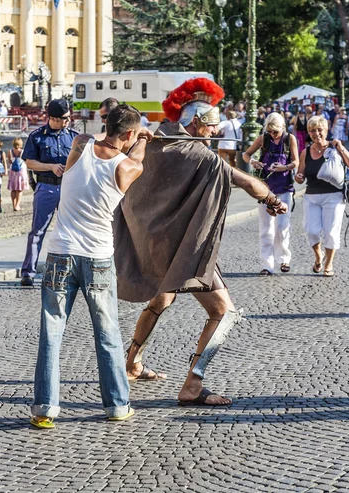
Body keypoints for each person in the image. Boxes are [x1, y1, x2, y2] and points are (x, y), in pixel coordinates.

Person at [115, 78, 287, 406]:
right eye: (212, 128)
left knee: (161, 299)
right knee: (224, 312)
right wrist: (272, 200)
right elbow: (246, 180)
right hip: (186, 247)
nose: (213, 133)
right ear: (197, 122)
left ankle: (132, 363)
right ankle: (193, 383)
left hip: (157, 244)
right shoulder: (199, 155)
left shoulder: (152, 137)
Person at [30, 104, 154, 429]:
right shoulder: (127, 167)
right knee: (107, 334)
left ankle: (44, 408)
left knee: (51, 333)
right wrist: (143, 138)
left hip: (59, 254)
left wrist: (125, 132)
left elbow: (98, 138)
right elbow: (138, 158)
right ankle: (116, 405)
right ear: (129, 135)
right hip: (97, 257)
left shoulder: (78, 146)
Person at [19, 99, 80, 287]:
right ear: (53, 118)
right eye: (65, 118)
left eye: (69, 117)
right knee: (37, 231)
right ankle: (28, 272)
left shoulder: (74, 137)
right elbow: (29, 162)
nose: (68, 121)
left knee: (71, 231)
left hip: (69, 188)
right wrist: (50, 167)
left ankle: (71, 272)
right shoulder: (37, 137)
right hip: (46, 187)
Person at [295, 116, 349, 277]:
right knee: (311, 230)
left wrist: (341, 148)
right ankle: (318, 256)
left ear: (326, 130)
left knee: (331, 232)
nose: (316, 133)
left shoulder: (335, 148)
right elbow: (300, 173)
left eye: (319, 130)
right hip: (312, 197)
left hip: (334, 196)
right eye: (312, 130)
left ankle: (328, 264)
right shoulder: (305, 152)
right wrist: (299, 177)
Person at [243, 112, 299, 275]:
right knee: (266, 228)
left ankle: (284, 259)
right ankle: (267, 265)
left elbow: (296, 161)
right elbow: (246, 155)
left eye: (275, 132)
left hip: (284, 187)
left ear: (282, 127)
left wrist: (285, 167)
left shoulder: (290, 139)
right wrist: (254, 162)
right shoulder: (263, 139)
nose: (272, 135)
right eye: (270, 131)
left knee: (282, 226)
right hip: (265, 189)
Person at [7, 137, 30, 211]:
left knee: (13, 189)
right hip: (21, 170)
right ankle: (17, 205)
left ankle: (14, 205)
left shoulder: (10, 151)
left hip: (12, 170)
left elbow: (9, 161)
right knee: (19, 189)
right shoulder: (23, 151)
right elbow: (26, 160)